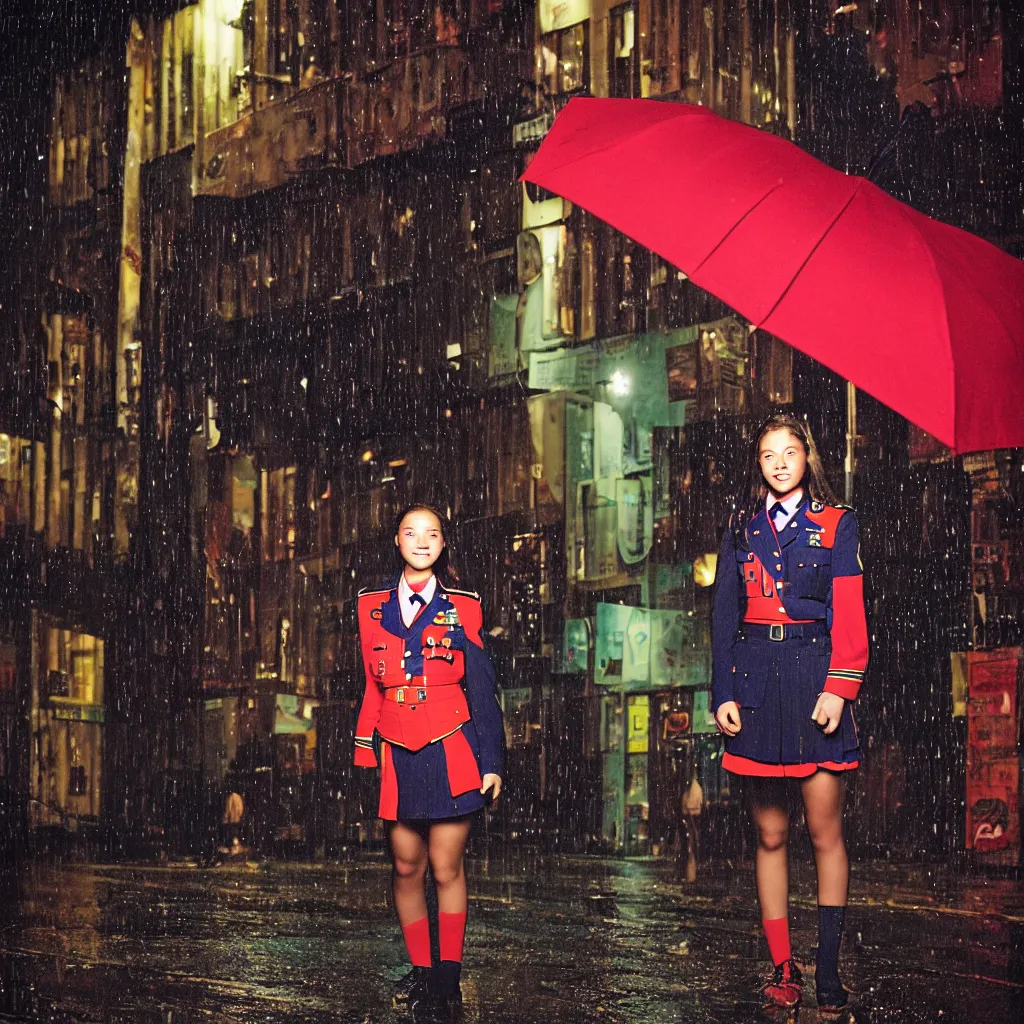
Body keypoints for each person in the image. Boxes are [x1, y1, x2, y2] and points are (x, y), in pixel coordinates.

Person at [711, 414, 868, 1013]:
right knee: (770, 834)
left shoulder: (837, 524)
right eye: (768, 453)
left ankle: (826, 969)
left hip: (813, 681)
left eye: (789, 452)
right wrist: (722, 690)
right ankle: (784, 967)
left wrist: (840, 687)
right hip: (754, 683)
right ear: (759, 462)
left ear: (808, 457)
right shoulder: (741, 527)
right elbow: (725, 614)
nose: (778, 462)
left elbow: (849, 612)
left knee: (826, 831)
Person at [353, 503, 504, 1016]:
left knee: (446, 867)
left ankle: (448, 980)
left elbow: (481, 689)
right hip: (397, 750)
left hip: (450, 746)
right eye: (411, 533)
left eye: (432, 534)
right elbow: (372, 686)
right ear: (397, 541)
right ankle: (421, 972)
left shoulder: (464, 605)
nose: (421, 542)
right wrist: (362, 746)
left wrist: (493, 761)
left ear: (443, 544)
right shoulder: (370, 605)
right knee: (404, 866)